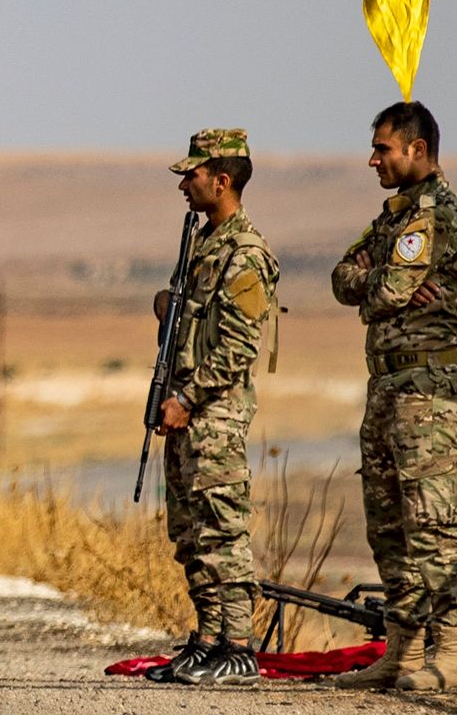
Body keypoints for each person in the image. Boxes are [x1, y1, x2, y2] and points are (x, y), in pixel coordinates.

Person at [329, 101, 457, 693]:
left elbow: (387, 289)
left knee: (431, 522)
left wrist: (381, 281)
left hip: (426, 389)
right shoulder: (394, 217)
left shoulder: (439, 213)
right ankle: (406, 649)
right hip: (386, 383)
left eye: (383, 149)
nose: (374, 160)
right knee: (388, 523)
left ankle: (455, 649)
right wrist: (378, 279)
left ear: (416, 149)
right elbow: (344, 277)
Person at [146, 128, 280, 687]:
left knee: (224, 530)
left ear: (221, 181)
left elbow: (236, 349)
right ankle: (207, 638)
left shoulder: (246, 254)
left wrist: (185, 398)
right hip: (185, 414)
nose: (184, 184)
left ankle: (240, 645)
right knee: (190, 531)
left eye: (192, 174)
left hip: (214, 416)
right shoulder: (202, 243)